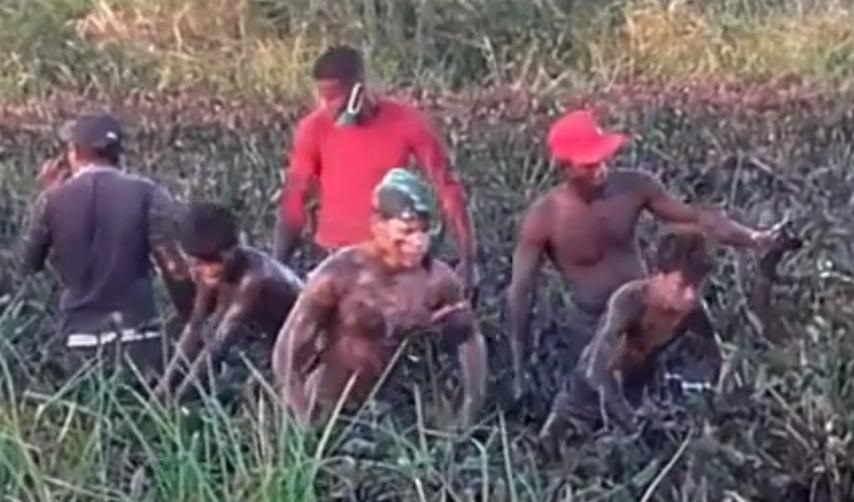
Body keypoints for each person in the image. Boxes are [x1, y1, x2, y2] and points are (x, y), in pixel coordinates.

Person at [507, 109, 780, 401]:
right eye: (588, 165)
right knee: (599, 398)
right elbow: (521, 292)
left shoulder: (633, 186)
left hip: (647, 313)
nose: (600, 170)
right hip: (593, 324)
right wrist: (519, 368)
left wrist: (755, 239)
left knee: (692, 377)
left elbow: (700, 219)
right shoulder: (544, 218)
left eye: (602, 160)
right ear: (564, 168)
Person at [273, 168, 487, 428]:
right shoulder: (338, 275)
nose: (418, 242)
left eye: (424, 232)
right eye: (407, 231)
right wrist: (303, 421)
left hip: (401, 416)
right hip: (331, 411)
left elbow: (470, 338)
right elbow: (287, 353)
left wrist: (469, 409)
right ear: (378, 225)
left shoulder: (438, 280)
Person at [274, 45, 478, 297]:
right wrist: (278, 266)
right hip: (333, 259)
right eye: (322, 97)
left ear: (358, 91)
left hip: (390, 260)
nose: (327, 107)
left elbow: (447, 186)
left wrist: (468, 261)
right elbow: (295, 198)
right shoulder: (314, 128)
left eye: (334, 97)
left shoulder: (407, 122)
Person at [19, 112, 194, 383]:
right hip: (138, 336)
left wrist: (48, 194)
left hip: (79, 340)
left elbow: (29, 265)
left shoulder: (52, 200)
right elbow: (173, 267)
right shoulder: (148, 193)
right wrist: (191, 320)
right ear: (117, 153)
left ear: (74, 151)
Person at [538, 229, 716, 441]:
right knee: (550, 448)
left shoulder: (694, 313)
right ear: (658, 275)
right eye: (682, 285)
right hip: (580, 405)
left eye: (697, 285)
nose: (690, 296)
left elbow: (716, 361)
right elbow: (597, 371)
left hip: (639, 401)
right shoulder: (629, 301)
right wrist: (631, 423)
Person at [153, 201, 304, 402]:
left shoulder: (255, 280)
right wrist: (161, 393)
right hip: (262, 335)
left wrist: (179, 399)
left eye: (207, 262)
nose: (201, 270)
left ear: (230, 252)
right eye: (196, 263)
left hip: (298, 342)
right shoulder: (210, 270)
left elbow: (218, 346)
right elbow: (195, 327)